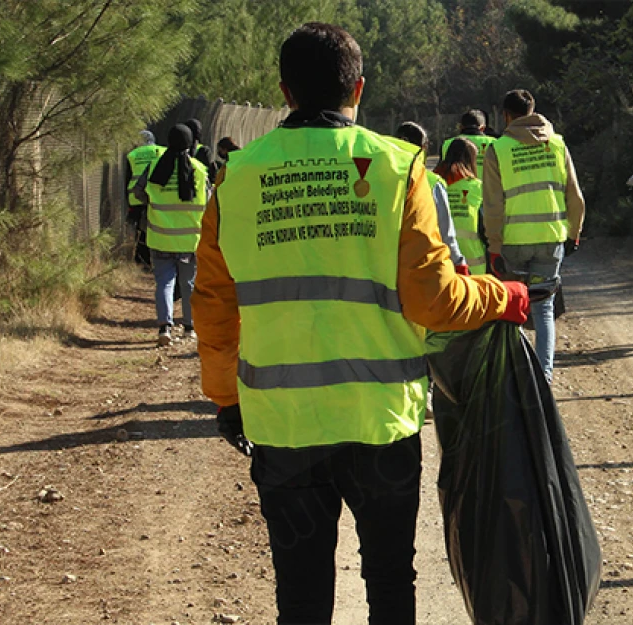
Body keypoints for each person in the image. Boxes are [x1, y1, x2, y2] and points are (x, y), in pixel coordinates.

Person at [191, 22, 529, 625]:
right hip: (380, 423)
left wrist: (224, 397)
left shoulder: (234, 180)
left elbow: (215, 305)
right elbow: (433, 301)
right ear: (360, 89)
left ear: (285, 93)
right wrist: (501, 297)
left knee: (300, 595)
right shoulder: (399, 168)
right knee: (391, 581)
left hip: (283, 426)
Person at [482, 89, 585, 382]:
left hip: (513, 243)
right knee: (543, 308)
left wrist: (494, 244)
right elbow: (575, 195)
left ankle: (514, 378)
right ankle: (544, 377)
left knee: (512, 308)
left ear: (505, 115)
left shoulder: (498, 149)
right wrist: (573, 233)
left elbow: (492, 204)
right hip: (551, 239)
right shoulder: (557, 144)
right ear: (533, 110)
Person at [132, 124, 209, 347]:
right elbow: (210, 198)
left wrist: (153, 203)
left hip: (160, 237)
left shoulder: (154, 166)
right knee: (189, 284)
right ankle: (189, 327)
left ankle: (165, 327)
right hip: (190, 239)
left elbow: (139, 192)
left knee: (164, 283)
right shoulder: (199, 169)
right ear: (190, 143)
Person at [394, 121, 469, 274]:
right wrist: (459, 264)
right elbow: (446, 232)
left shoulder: (382, 177)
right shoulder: (432, 182)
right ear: (423, 148)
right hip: (423, 265)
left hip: (391, 265)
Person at [436, 138, 486, 274]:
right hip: (473, 268)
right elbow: (486, 228)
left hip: (441, 266)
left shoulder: (436, 185)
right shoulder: (478, 188)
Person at [125, 130, 165, 268]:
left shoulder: (132, 155)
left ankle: (141, 260)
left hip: (136, 198)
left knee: (139, 230)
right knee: (157, 228)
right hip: (157, 197)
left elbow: (128, 178)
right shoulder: (161, 151)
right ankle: (157, 258)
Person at [440, 109, 496, 177]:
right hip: (487, 187)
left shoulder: (448, 144)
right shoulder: (494, 143)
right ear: (483, 128)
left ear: (461, 127)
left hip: (456, 187)